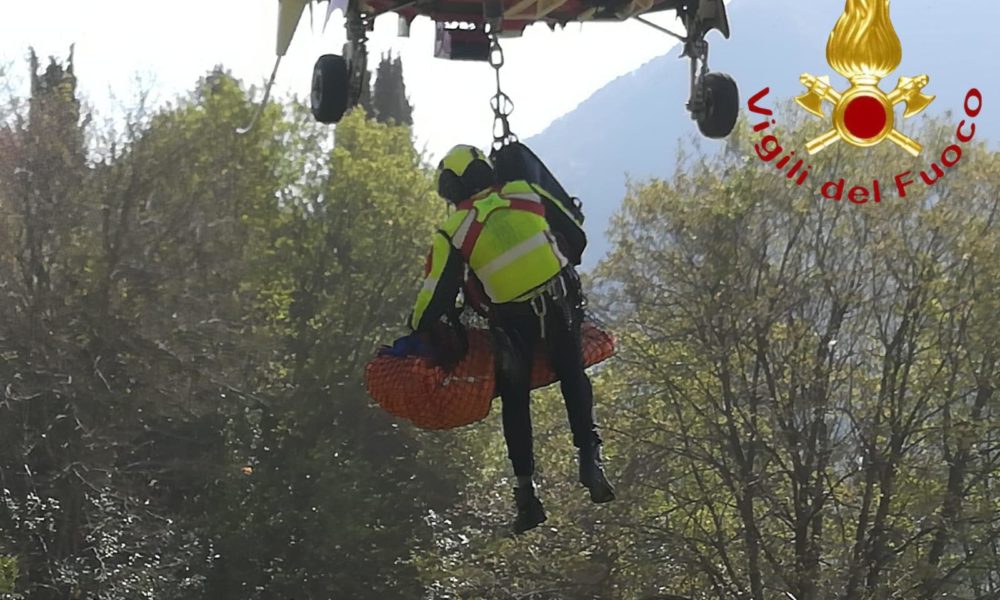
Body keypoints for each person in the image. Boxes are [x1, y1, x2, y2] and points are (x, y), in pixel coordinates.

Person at [409, 144, 615, 534]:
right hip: (558, 300)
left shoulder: (453, 231)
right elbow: (574, 233)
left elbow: (434, 298)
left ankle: (527, 498)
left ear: (450, 189)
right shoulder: (524, 192)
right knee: (572, 373)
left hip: (514, 319)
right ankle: (590, 459)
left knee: (515, 400)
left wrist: (415, 325)